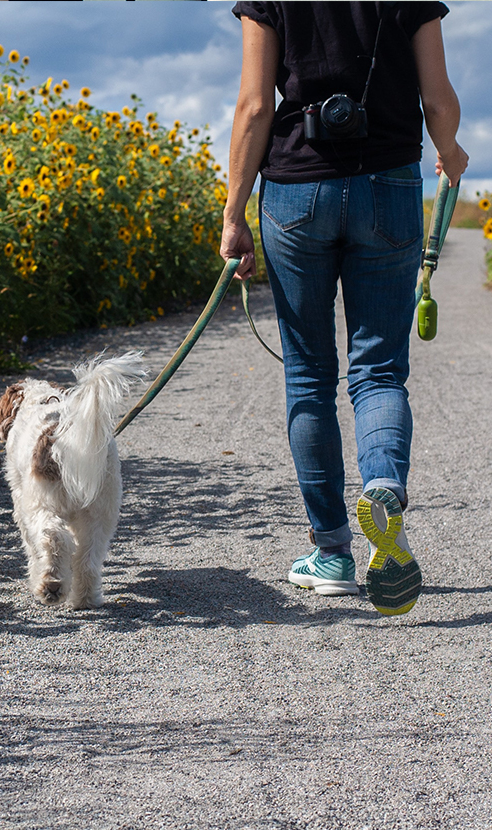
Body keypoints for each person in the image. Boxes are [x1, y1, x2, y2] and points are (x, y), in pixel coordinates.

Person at [221, 1, 468, 616]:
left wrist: (233, 212)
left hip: (296, 187)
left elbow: (254, 105)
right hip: (389, 183)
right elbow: (436, 97)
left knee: (308, 375)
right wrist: (451, 149)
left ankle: (332, 554)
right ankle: (383, 485)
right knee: (379, 370)